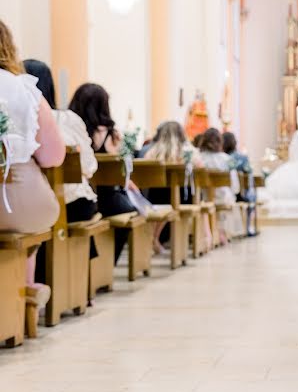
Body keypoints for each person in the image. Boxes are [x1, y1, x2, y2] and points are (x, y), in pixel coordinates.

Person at [0, 21, 65, 310]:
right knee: (27, 221)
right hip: (23, 200)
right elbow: (53, 157)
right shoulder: (25, 90)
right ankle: (25, 291)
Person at [68, 82, 138, 266]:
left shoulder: (71, 128)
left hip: (77, 196)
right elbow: (121, 170)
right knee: (131, 212)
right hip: (107, 199)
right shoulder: (112, 136)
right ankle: (108, 264)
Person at [23, 60, 99, 225]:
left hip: (29, 203)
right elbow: (88, 166)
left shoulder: (17, 121)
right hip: (74, 203)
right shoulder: (69, 119)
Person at [143, 121, 206, 253]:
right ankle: (155, 238)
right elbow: (201, 169)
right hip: (183, 198)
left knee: (163, 197)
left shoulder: (152, 152)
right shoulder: (188, 152)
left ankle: (153, 238)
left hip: (155, 198)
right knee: (183, 196)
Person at [196, 127, 242, 242]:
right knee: (226, 197)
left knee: (207, 199)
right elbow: (235, 186)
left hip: (203, 196)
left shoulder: (198, 158)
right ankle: (221, 232)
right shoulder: (227, 159)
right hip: (223, 197)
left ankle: (209, 233)